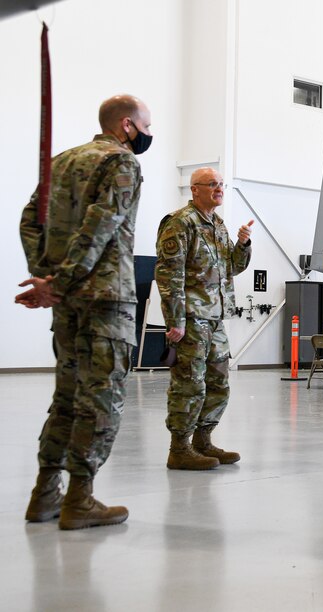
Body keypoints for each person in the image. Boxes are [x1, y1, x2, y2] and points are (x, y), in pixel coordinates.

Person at [18, 94, 151, 529]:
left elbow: (29, 219)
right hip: (105, 300)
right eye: (146, 126)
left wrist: (47, 279)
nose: (149, 135)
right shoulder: (122, 163)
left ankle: (44, 495)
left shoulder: (58, 164)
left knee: (67, 397)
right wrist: (59, 283)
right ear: (127, 125)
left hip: (68, 303)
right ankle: (80, 499)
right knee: (100, 401)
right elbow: (101, 225)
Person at [156, 167, 253, 469]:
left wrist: (244, 244)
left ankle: (203, 440)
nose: (219, 188)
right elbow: (170, 275)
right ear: (194, 189)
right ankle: (180, 448)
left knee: (218, 381)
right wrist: (175, 320)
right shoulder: (180, 223)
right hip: (191, 317)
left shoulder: (219, 226)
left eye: (221, 184)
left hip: (215, 317)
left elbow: (232, 268)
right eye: (212, 184)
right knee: (189, 383)